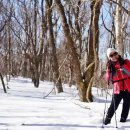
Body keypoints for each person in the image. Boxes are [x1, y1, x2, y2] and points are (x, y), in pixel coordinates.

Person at [104, 48, 130, 125]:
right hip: (117, 88)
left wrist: (124, 68)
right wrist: (108, 75)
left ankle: (123, 119)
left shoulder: (126, 62)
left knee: (127, 104)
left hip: (127, 87)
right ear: (109, 57)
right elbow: (107, 78)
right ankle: (107, 119)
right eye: (111, 55)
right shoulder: (110, 66)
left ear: (117, 54)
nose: (114, 56)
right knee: (114, 105)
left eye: (115, 54)